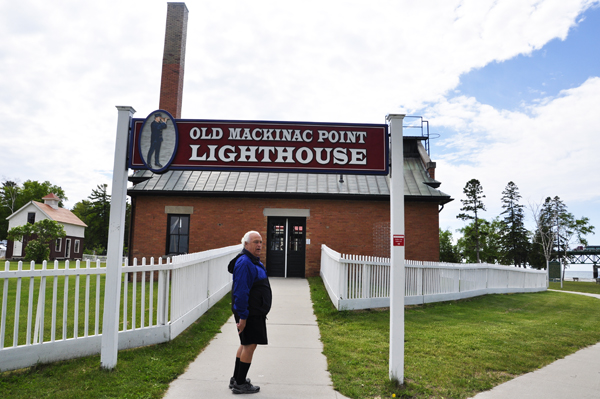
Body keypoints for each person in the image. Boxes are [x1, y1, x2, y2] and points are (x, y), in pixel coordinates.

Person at [227, 230, 272, 394]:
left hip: (253, 311)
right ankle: (240, 384)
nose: (259, 245)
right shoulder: (245, 263)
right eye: (255, 242)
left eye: (260, 241)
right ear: (245, 244)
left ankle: (236, 378)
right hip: (249, 313)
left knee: (245, 344)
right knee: (249, 346)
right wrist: (243, 316)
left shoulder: (252, 261)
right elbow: (240, 292)